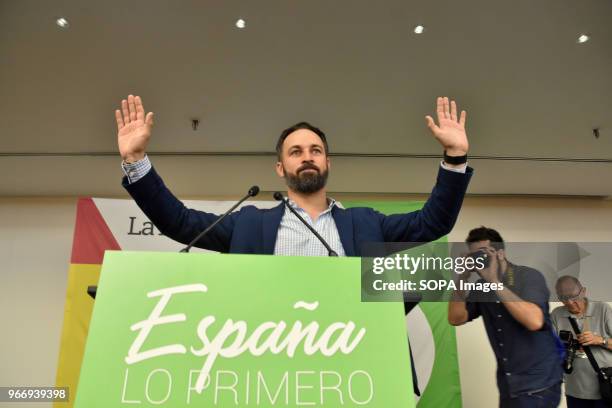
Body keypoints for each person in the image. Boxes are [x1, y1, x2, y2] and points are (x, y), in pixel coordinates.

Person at [114, 94, 473, 256]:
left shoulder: (367, 224)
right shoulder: (248, 225)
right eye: (296, 152)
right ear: (280, 168)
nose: (307, 158)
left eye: (316, 151)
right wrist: (136, 160)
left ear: (328, 163)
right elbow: (179, 222)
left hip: (359, 370)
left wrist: (455, 157)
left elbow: (433, 223)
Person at [448, 226, 563, 407]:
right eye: (475, 256)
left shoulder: (528, 276)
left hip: (538, 385)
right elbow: (456, 318)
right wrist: (461, 277)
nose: (481, 260)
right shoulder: (481, 287)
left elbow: (534, 321)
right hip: (509, 385)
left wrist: (494, 281)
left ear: (500, 253)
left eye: (484, 254)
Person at [551, 276, 612, 408]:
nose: (570, 303)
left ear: (583, 291)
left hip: (606, 390)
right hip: (575, 392)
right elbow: (550, 350)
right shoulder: (557, 314)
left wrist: (601, 340)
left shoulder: (603, 309)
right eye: (563, 298)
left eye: (574, 297)